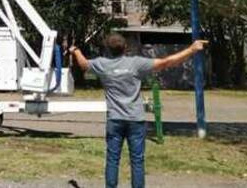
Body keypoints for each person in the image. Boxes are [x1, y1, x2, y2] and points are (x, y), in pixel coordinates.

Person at [68, 34, 208, 188]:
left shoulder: (102, 64)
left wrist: (75, 51)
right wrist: (192, 49)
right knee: (137, 160)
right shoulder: (136, 63)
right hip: (136, 120)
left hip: (115, 120)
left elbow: (83, 64)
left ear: (107, 49)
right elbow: (166, 62)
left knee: (113, 159)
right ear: (125, 48)